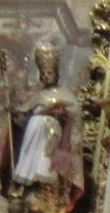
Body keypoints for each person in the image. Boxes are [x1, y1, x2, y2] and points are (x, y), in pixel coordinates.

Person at [8, 44, 83, 203]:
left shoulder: (65, 94)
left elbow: (75, 111)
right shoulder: (39, 95)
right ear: (41, 76)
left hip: (50, 132)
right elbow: (23, 112)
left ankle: (41, 186)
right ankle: (23, 184)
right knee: (28, 156)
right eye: (44, 73)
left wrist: (58, 111)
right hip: (32, 132)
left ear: (56, 74)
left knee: (45, 156)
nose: (47, 76)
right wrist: (13, 109)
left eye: (50, 72)